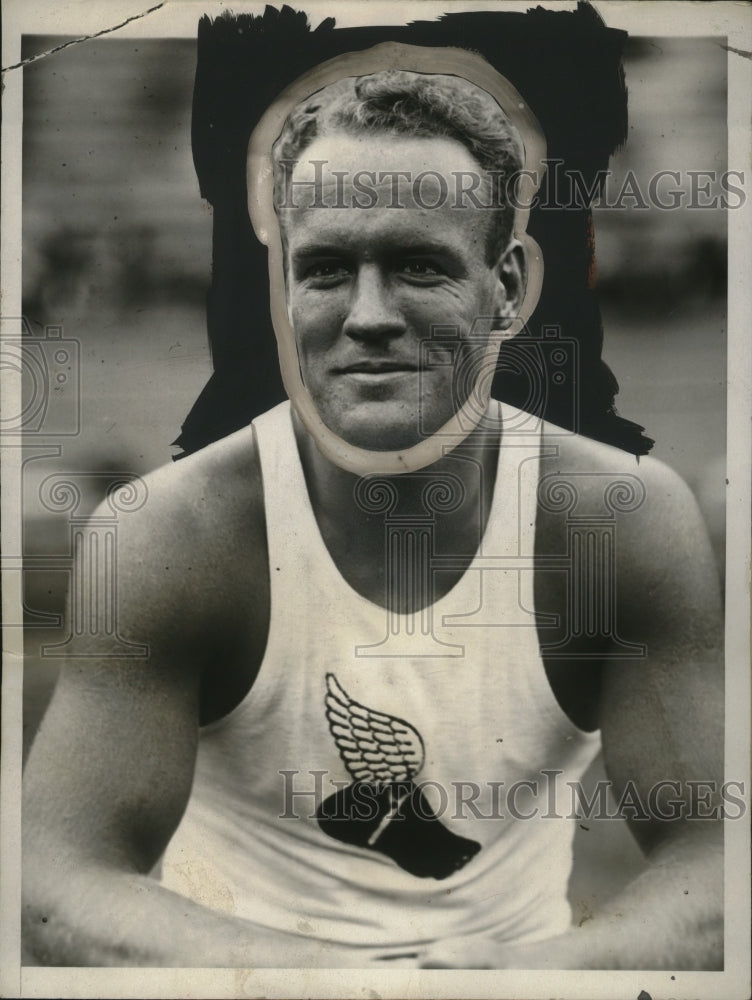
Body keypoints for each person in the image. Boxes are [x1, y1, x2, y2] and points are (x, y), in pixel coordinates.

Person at [22, 62, 723, 971]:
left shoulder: (618, 521)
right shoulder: (171, 536)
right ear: (283, 289)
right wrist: (341, 987)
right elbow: (51, 886)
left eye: (418, 265)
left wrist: (525, 981)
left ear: (506, 285)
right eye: (324, 269)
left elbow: (719, 861)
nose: (367, 316)